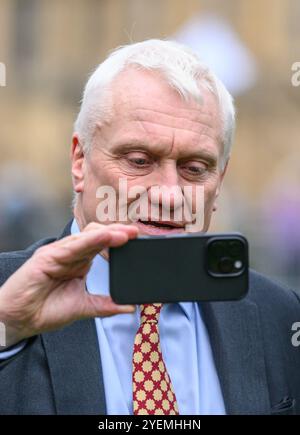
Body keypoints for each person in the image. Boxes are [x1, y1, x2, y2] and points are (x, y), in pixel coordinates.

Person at [0, 39, 299, 415]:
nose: (170, 195)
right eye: (140, 161)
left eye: (194, 169)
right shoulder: (6, 297)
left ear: (219, 182)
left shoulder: (279, 315)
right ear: (80, 160)